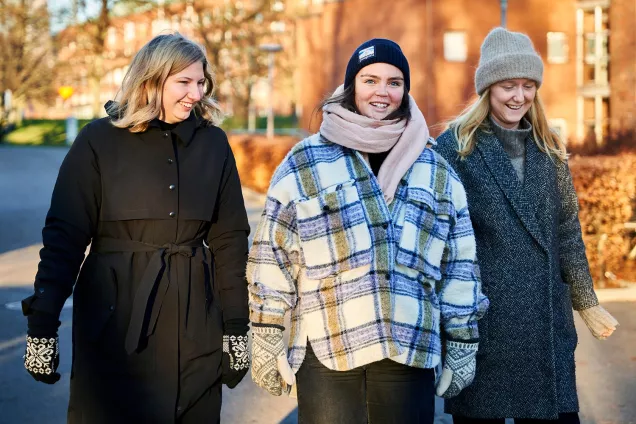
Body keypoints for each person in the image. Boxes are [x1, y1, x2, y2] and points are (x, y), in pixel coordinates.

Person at [247, 38, 489, 424]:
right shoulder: (307, 161)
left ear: (405, 90)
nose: (383, 91)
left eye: (394, 82)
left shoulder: (433, 168)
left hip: (407, 347)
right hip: (329, 348)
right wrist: (267, 331)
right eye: (370, 80)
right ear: (351, 87)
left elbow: (459, 260)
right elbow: (271, 253)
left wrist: (462, 338)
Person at [21, 33, 251, 423]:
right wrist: (42, 325)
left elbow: (230, 241)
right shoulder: (97, 141)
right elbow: (65, 237)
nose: (195, 94)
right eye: (184, 82)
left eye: (200, 82)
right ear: (151, 80)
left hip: (195, 315)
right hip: (114, 315)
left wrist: (236, 327)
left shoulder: (213, 144)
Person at [434, 27, 619, 424]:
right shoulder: (456, 147)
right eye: (507, 86)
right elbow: (442, 239)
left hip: (545, 326)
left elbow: (567, 230)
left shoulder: (548, 146)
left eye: (527, 85)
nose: (519, 96)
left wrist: (586, 302)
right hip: (485, 328)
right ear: (487, 89)